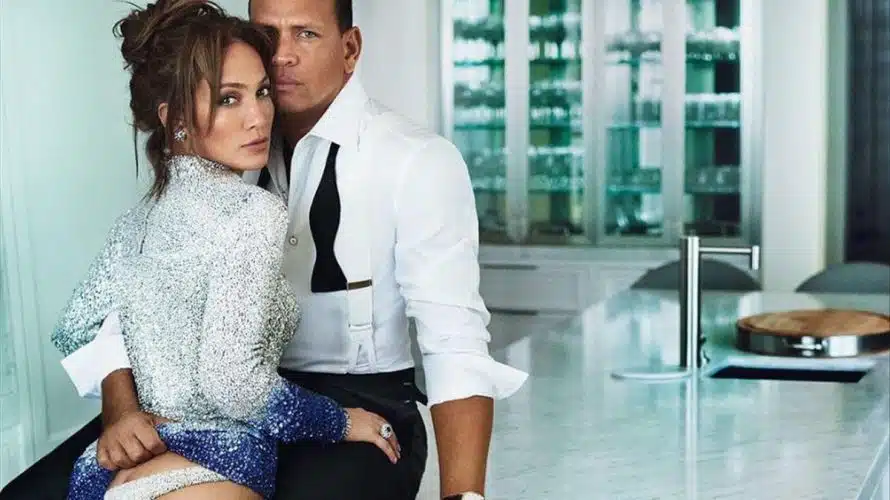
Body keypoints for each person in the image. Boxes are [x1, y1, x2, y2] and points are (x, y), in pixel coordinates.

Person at [0, 0, 528, 499]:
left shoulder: (418, 161)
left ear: (350, 48)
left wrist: (464, 494)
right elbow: (126, 299)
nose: (281, 56)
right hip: (206, 408)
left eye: (306, 33)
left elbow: (454, 342)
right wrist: (121, 408)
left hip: (357, 397)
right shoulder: (214, 155)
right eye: (268, 35)